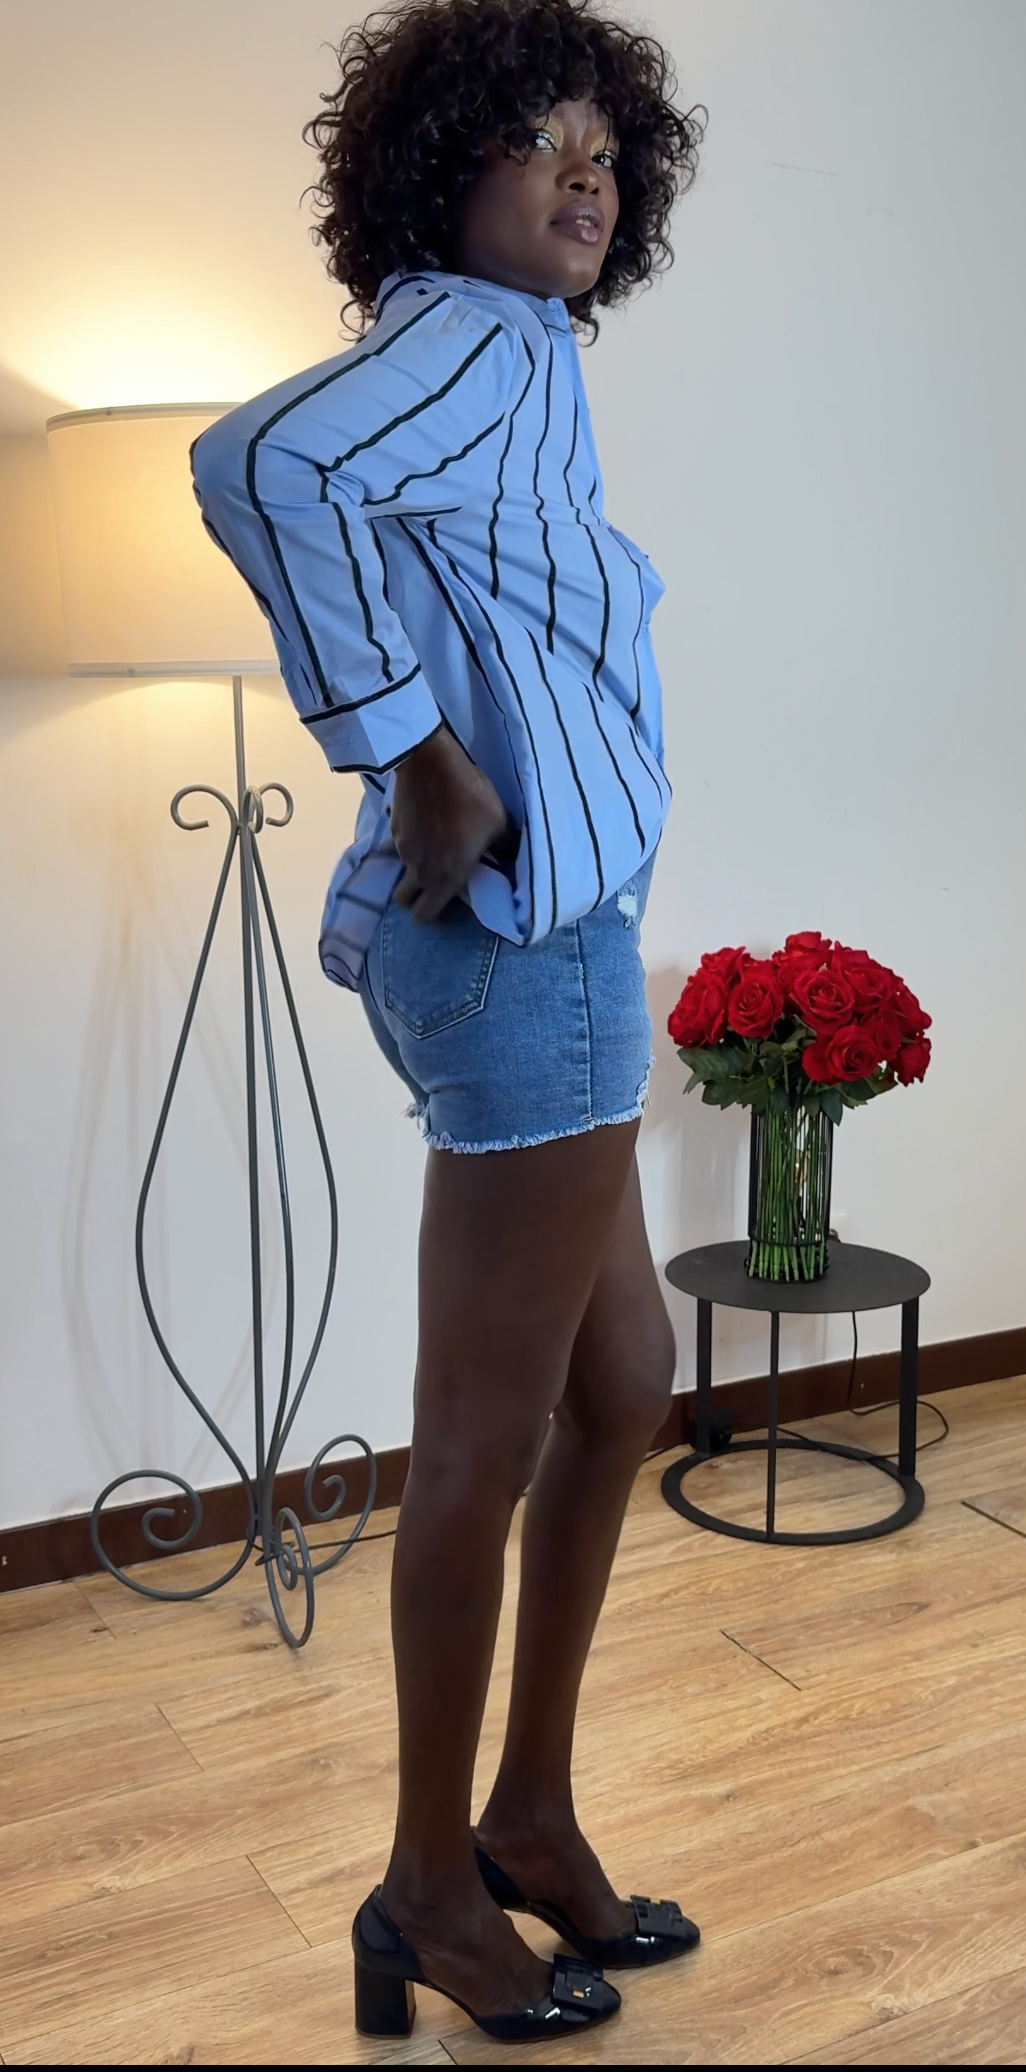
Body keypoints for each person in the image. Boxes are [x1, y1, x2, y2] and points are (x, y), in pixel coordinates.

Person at [190, 0, 704, 2045]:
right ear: (439, 169)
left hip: (554, 945)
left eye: (607, 155)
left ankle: (530, 1819)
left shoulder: (519, 362)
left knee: (620, 1381)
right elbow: (255, 458)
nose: (585, 180)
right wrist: (411, 755)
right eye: (540, 144)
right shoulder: (474, 349)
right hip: (519, 952)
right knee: (489, 1437)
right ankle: (424, 1888)